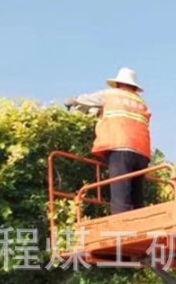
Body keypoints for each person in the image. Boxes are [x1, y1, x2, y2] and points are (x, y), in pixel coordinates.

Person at [65, 68, 151, 215]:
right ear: (135, 87)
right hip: (142, 152)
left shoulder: (111, 95)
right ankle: (140, 220)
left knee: (120, 194)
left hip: (120, 147)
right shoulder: (141, 103)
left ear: (117, 84)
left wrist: (73, 100)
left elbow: (88, 100)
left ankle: (121, 223)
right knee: (136, 195)